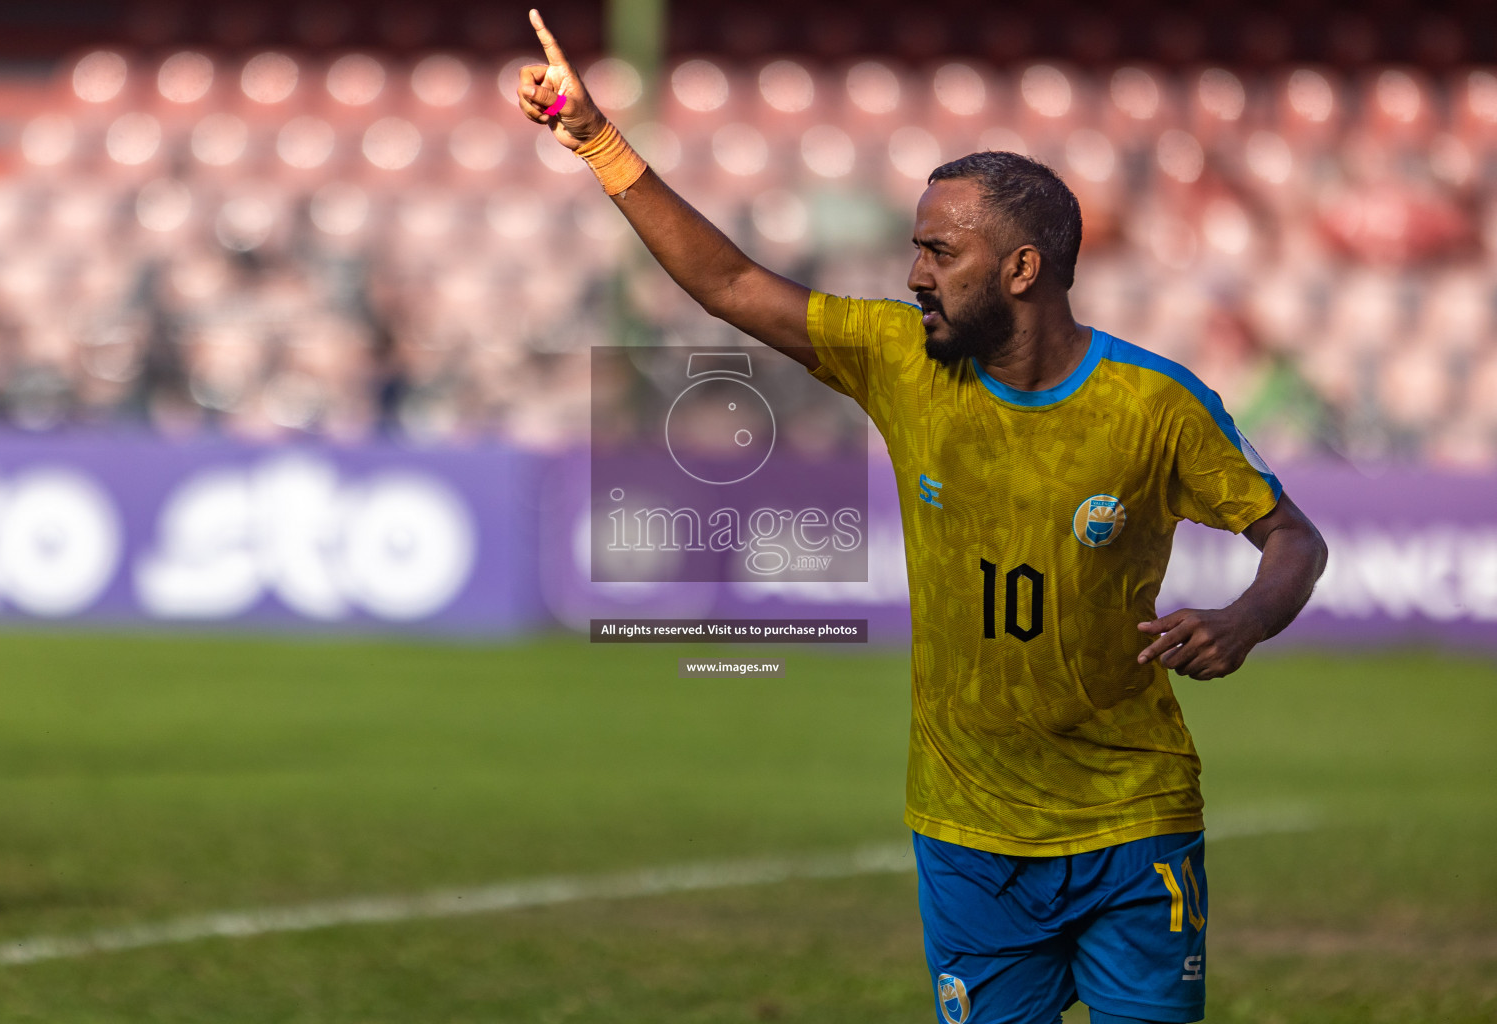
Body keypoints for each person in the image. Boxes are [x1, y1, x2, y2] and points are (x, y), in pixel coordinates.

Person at [516, 11, 1329, 1024]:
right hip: (966, 836)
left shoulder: (1156, 405)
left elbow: (1294, 536)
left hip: (1132, 820)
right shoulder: (902, 359)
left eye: (941, 252)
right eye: (915, 250)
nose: (913, 275)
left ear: (1022, 270)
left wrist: (1247, 618)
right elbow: (727, 282)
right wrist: (599, 142)